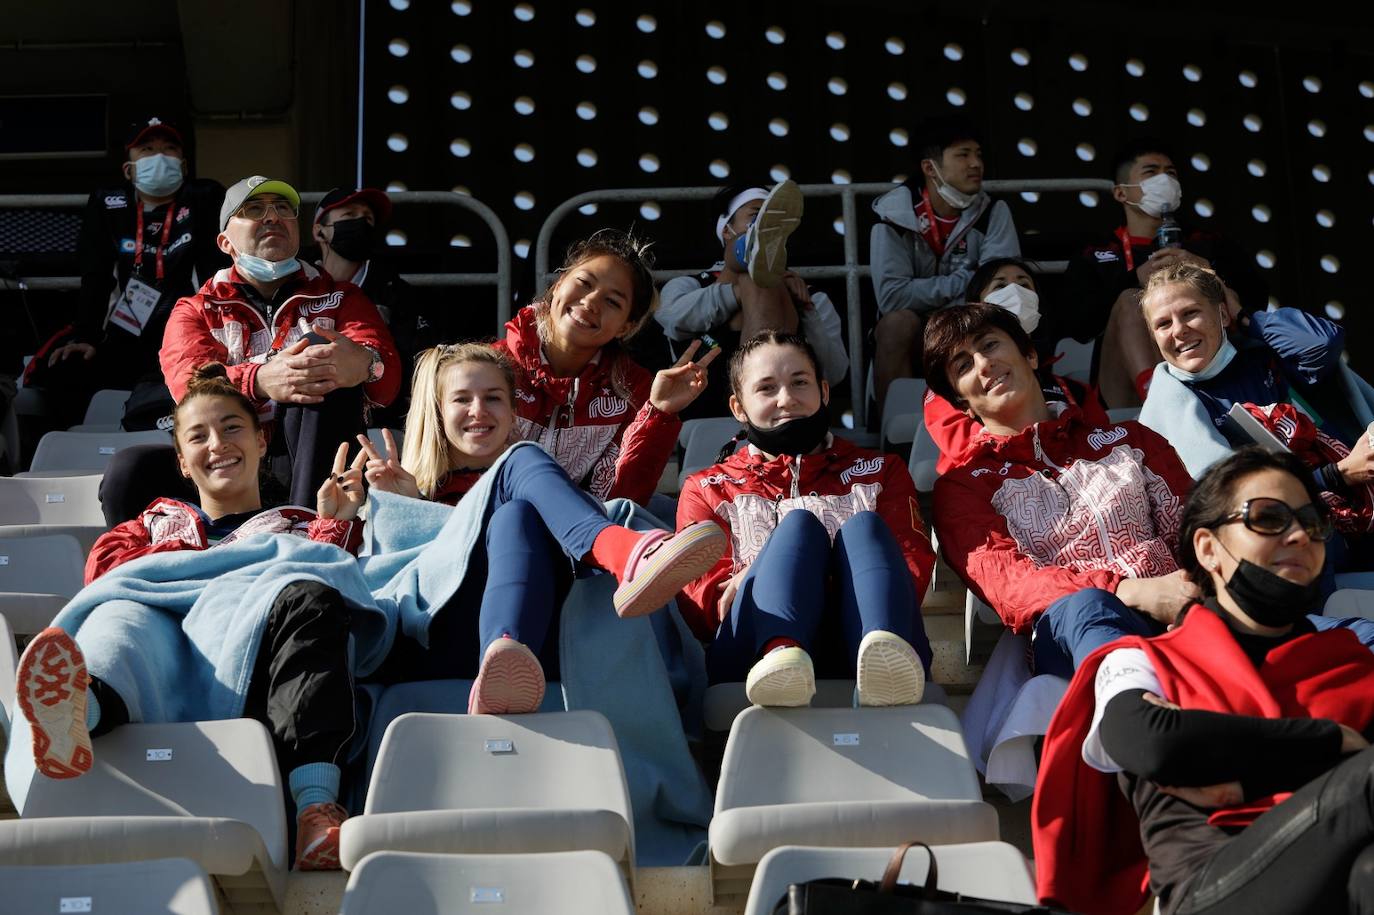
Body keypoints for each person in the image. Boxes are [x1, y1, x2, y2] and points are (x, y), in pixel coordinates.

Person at [15, 364, 369, 870]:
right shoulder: (149, 526)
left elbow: (350, 587)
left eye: (231, 428)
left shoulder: (299, 528)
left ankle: (315, 809)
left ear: (261, 442)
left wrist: (336, 525)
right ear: (182, 462)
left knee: (311, 595)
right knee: (120, 614)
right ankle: (76, 713)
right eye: (198, 436)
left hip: (253, 648)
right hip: (158, 640)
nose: (218, 444)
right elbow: (110, 580)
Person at [1034, 447, 1374, 915]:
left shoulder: (1352, 662)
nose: (1298, 535)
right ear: (1208, 549)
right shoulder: (1140, 661)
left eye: (1311, 522)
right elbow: (1154, 743)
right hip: (1211, 887)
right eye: (1269, 518)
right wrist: (1332, 739)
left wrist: (1230, 756)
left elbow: (1188, 744)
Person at [358, 343, 726, 713]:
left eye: (493, 398)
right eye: (461, 399)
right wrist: (406, 508)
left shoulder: (543, 491)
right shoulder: (411, 494)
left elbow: (622, 494)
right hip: (433, 641)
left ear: (514, 413)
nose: (479, 410)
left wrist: (658, 412)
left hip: (537, 653)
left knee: (516, 512)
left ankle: (505, 656)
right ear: (437, 413)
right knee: (519, 470)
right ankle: (626, 554)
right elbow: (376, 589)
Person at [925, 303, 1198, 675]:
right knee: (1086, 607)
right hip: (1074, 639)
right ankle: (1128, 706)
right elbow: (1010, 585)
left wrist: (1187, 593)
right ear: (962, 402)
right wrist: (1128, 591)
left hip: (1179, 608)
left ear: (1031, 355)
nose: (983, 365)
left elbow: (1192, 531)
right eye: (963, 366)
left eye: (989, 345)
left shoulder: (1131, 439)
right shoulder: (964, 486)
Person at [676, 331, 935, 707]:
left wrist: (767, 576)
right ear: (738, 407)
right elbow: (701, 603)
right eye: (766, 388)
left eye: (800, 382)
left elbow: (912, 570)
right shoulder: (707, 487)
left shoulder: (881, 470)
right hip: (751, 653)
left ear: (824, 392)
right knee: (798, 528)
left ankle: (884, 661)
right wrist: (770, 577)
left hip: (868, 634)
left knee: (863, 528)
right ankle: (782, 656)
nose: (787, 398)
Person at [158, 175, 401, 506]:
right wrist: (259, 380)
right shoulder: (196, 309)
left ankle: (309, 532)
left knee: (321, 378)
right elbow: (189, 386)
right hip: (230, 455)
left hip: (313, 454)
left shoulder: (343, 297)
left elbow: (388, 384)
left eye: (283, 208)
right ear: (225, 242)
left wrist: (364, 365)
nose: (272, 217)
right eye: (254, 209)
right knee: (128, 471)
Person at [494, 229, 717, 506]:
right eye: (584, 282)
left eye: (612, 301)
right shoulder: (490, 367)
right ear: (559, 283)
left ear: (627, 326)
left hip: (576, 535)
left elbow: (623, 499)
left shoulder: (633, 391)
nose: (591, 302)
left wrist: (658, 414)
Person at [31, 117, 228, 430]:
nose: (159, 157)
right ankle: (71, 448)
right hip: (126, 329)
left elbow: (215, 270)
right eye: (147, 150)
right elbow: (96, 276)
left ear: (184, 165)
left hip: (186, 327)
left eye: (169, 149)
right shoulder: (110, 206)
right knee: (66, 367)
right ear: (129, 169)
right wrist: (86, 335)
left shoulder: (203, 199)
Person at [1062, 138, 1266, 408]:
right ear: (1122, 193)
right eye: (1151, 172)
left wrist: (1208, 271)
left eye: (1170, 173)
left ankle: (1195, 398)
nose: (1164, 180)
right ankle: (1165, 403)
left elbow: (1255, 302)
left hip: (1210, 371)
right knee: (1130, 299)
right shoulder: (1096, 253)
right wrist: (1135, 279)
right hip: (1126, 389)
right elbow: (1078, 327)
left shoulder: (1208, 242)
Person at [655, 181, 848, 419]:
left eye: (776, 224)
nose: (767, 227)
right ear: (726, 230)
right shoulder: (689, 284)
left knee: (763, 281)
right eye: (756, 217)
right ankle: (750, 260)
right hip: (704, 402)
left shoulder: (811, 296)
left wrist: (806, 310)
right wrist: (737, 293)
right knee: (757, 280)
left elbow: (834, 373)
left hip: (786, 410)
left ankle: (763, 409)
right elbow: (671, 319)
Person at [869, 115, 1020, 412]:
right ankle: (895, 432)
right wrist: (967, 278)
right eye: (963, 155)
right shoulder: (891, 217)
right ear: (930, 168)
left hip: (971, 320)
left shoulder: (994, 211)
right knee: (895, 324)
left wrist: (955, 290)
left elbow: (998, 285)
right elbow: (892, 297)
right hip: (916, 330)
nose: (976, 163)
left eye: (978, 154)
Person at [922, 258, 1101, 474]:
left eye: (1024, 285)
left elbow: (1100, 444)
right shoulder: (952, 387)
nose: (1015, 291)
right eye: (1000, 286)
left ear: (1031, 355)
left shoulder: (1075, 391)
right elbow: (965, 451)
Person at [312, 187, 452, 428]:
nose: (360, 224)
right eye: (349, 216)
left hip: (384, 427)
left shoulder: (401, 295)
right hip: (312, 418)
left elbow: (422, 367)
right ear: (319, 231)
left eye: (367, 218)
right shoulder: (297, 286)